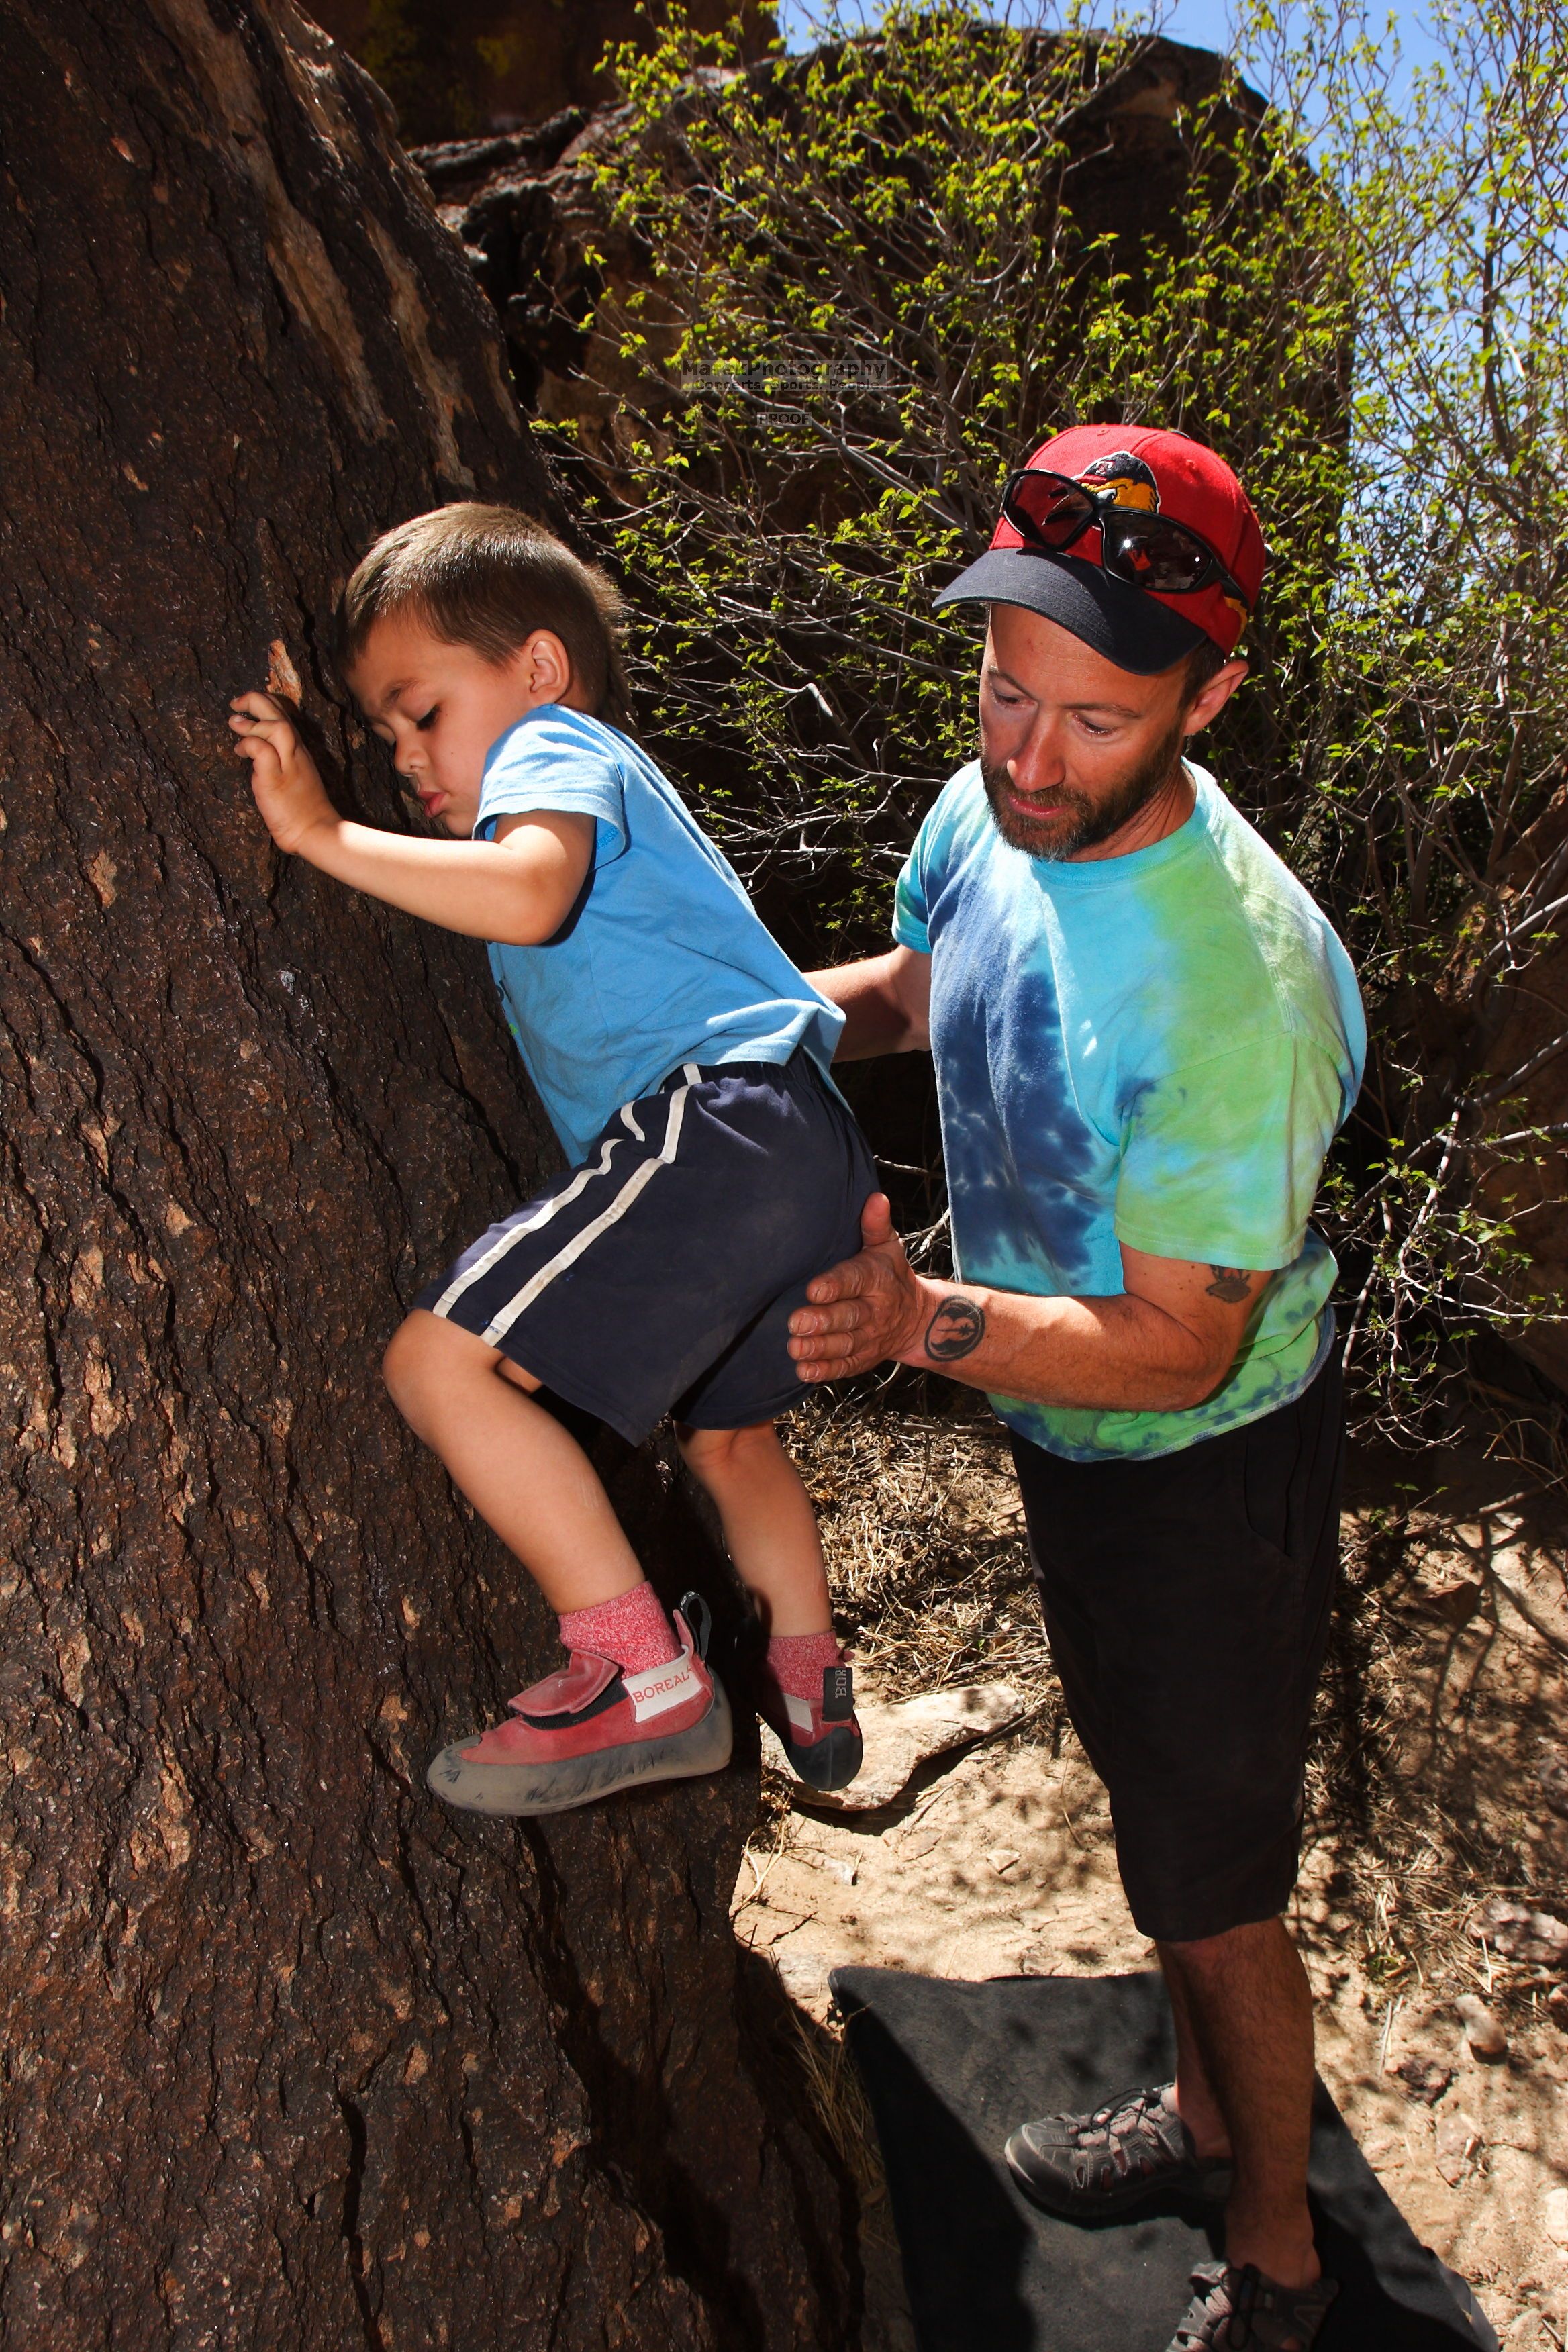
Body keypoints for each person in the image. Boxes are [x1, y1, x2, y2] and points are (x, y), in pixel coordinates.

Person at [785, 426, 1365, 2352]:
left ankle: (1279, 2251)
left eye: (1095, 720)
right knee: (1155, 1819)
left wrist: (912, 1321)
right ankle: (1204, 2115)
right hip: (1067, 1426)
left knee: (1214, 1885)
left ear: (1213, 697)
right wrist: (781, 1022)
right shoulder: (994, 807)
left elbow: (1183, 1341)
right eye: (1005, 691)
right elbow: (937, 976)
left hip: (1204, 1466)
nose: (1027, 758)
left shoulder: (1239, 992)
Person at [228, 503, 873, 1810]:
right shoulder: (593, 782)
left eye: (422, 712)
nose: (409, 758)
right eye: (386, 736)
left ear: (533, 667)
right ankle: (811, 1691)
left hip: (720, 1122)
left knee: (441, 1364)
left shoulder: (556, 747)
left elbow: (526, 890)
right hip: (792, 1140)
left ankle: (639, 1680)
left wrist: (318, 830)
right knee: (731, 1442)